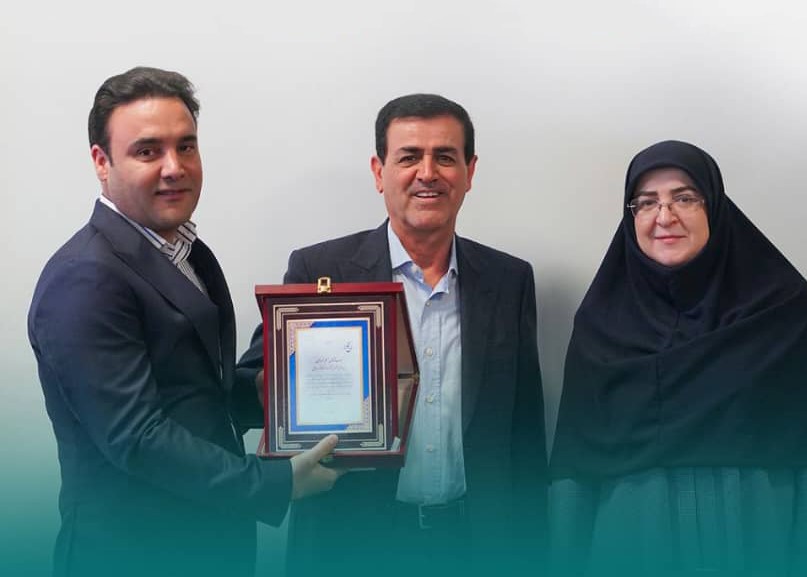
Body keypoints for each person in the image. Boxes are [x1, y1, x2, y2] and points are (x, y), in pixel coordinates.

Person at [27, 66, 342, 577]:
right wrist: (274, 484)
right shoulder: (85, 277)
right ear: (101, 162)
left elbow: (191, 393)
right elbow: (136, 436)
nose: (174, 167)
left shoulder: (187, 251)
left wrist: (265, 392)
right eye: (148, 151)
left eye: (186, 146)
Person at [238, 93, 548, 575]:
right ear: (379, 171)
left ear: (469, 171)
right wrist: (290, 387)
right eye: (409, 157)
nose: (428, 173)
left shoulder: (510, 280)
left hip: (478, 544)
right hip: (351, 545)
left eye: (445, 156)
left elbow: (524, 433)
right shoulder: (320, 270)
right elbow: (250, 389)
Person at [548, 140, 807, 577]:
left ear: (713, 206)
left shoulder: (783, 313)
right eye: (646, 202)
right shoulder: (599, 327)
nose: (664, 216)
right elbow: (574, 469)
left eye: (684, 198)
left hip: (756, 545)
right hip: (632, 546)